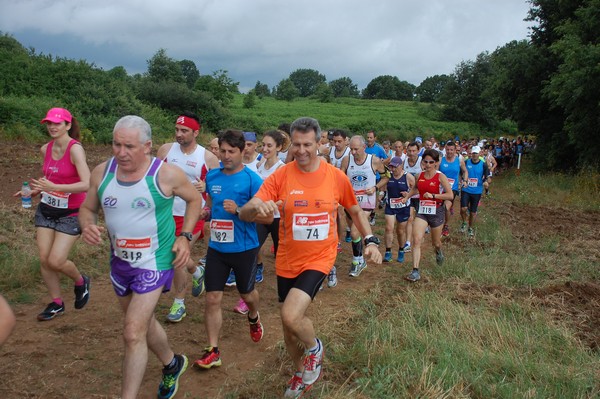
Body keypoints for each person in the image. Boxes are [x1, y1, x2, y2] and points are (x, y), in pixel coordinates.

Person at [239, 117, 382, 398]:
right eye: (297, 144)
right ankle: (299, 372)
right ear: (291, 144)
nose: (302, 150)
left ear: (319, 144)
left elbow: (354, 210)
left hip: (320, 256)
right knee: (288, 327)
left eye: (308, 144)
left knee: (290, 314)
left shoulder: (334, 176)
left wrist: (370, 239)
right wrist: (256, 208)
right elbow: (247, 211)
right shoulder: (281, 175)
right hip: (287, 258)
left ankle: (314, 347)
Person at [79, 115, 202, 399]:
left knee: (133, 332)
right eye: (116, 144)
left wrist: (184, 236)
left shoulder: (165, 174)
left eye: (129, 146)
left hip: (155, 261)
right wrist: (86, 225)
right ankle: (172, 363)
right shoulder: (102, 172)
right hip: (120, 263)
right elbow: (87, 208)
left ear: (147, 146)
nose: (121, 152)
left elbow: (195, 200)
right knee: (142, 325)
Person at [193, 129, 269, 370]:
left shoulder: (252, 180)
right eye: (222, 151)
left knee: (247, 294)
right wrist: (205, 213)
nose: (225, 156)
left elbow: (266, 217)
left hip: (244, 248)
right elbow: (210, 205)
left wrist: (238, 210)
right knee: (212, 298)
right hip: (217, 247)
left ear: (241, 151)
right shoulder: (213, 177)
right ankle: (213, 350)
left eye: (230, 151)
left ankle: (254, 316)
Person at [13, 107, 91, 321]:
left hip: (71, 212)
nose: (52, 127)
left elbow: (86, 184)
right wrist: (36, 189)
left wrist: (54, 185)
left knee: (56, 260)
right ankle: (56, 303)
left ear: (68, 125)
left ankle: (80, 281)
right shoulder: (45, 149)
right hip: (46, 209)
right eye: (49, 123)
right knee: (45, 259)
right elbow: (49, 179)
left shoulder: (75, 149)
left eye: (57, 123)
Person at [157, 112, 220, 323]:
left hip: (194, 214)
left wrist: (207, 188)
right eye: (177, 129)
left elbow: (219, 185)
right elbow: (154, 177)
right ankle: (196, 271)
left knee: (178, 257)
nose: (179, 134)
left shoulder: (207, 157)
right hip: (167, 213)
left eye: (184, 131)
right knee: (173, 254)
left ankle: (179, 303)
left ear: (196, 132)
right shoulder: (166, 150)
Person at [233, 129, 287, 315]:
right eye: (263, 145)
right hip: (261, 217)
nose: (264, 149)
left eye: (269, 146)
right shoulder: (259, 165)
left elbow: (285, 197)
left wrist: (271, 205)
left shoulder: (282, 168)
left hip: (279, 219)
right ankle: (245, 298)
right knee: (251, 252)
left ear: (279, 148)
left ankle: (287, 295)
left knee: (283, 258)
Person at [400, 149, 454, 282]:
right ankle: (415, 271)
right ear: (422, 162)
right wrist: (407, 196)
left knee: (435, 243)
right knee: (416, 239)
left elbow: (450, 195)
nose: (428, 164)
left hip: (437, 211)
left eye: (431, 162)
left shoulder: (440, 176)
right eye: (426, 161)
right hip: (423, 211)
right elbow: (416, 188)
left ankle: (438, 251)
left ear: (436, 163)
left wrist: (434, 196)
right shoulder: (420, 175)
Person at [341, 135, 388, 277]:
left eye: (356, 149)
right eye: (351, 149)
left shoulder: (374, 160)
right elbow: (340, 178)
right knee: (355, 233)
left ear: (364, 147)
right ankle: (361, 257)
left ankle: (356, 261)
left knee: (355, 231)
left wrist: (375, 187)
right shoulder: (347, 160)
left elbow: (387, 177)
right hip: (350, 202)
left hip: (367, 202)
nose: (353, 152)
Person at [383, 156, 415, 263]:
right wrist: (382, 194)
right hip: (390, 206)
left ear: (401, 166)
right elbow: (384, 186)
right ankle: (388, 252)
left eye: (395, 167)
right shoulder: (389, 176)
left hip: (403, 207)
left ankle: (401, 250)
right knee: (389, 228)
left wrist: (408, 194)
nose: (393, 169)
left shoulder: (408, 177)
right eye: (391, 167)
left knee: (400, 231)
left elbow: (416, 190)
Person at [438, 141, 468, 237]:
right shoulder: (441, 160)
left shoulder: (459, 160)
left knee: (445, 207)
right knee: (439, 207)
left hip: (452, 189)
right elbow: (435, 172)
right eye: (447, 150)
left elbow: (465, 171)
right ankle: (436, 223)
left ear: (455, 150)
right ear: (445, 150)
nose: (449, 152)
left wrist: (465, 180)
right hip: (440, 188)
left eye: (451, 150)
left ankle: (445, 226)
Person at [460, 146, 489, 237]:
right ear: (471, 153)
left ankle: (470, 227)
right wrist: (462, 181)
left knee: (473, 212)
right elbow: (461, 173)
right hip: (466, 189)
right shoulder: (466, 162)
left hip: (477, 191)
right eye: (473, 153)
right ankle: (464, 222)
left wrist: (485, 182)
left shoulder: (483, 164)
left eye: (476, 153)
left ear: (479, 153)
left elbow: (486, 176)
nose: (474, 155)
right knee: (463, 208)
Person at [402, 141, 423, 253]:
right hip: (409, 195)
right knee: (410, 218)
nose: (411, 153)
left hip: (420, 195)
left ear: (418, 151)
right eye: (409, 151)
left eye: (414, 151)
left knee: (420, 219)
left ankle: (419, 238)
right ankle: (408, 242)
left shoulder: (422, 162)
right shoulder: (404, 162)